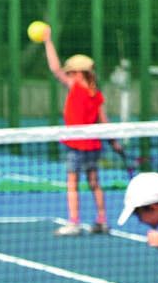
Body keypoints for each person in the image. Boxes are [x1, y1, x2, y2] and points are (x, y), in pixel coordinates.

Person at [42, 32, 115, 235]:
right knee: (94, 183)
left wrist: (48, 40)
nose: (69, 75)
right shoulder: (96, 94)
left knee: (72, 184)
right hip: (93, 146)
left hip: (77, 146)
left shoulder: (76, 87)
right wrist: (114, 142)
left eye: (72, 72)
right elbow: (105, 122)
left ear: (78, 73)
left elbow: (55, 68)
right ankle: (102, 220)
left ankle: (73, 222)